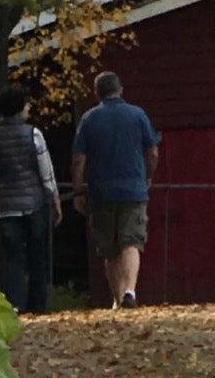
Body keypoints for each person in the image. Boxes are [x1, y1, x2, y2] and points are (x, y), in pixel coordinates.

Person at [70, 70, 160, 309]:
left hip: (101, 192)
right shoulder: (137, 115)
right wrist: (148, 177)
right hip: (133, 189)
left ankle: (117, 298)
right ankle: (130, 290)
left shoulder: (89, 119)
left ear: (97, 93)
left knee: (109, 248)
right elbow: (152, 152)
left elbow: (79, 159)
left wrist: (79, 191)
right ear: (120, 89)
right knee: (131, 242)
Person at [0, 83, 61, 315]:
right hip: (34, 204)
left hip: (6, 207)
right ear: (19, 107)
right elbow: (46, 171)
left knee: (12, 258)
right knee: (38, 256)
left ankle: (15, 303)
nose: (29, 108)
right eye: (26, 104)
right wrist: (54, 198)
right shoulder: (33, 134)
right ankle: (38, 305)